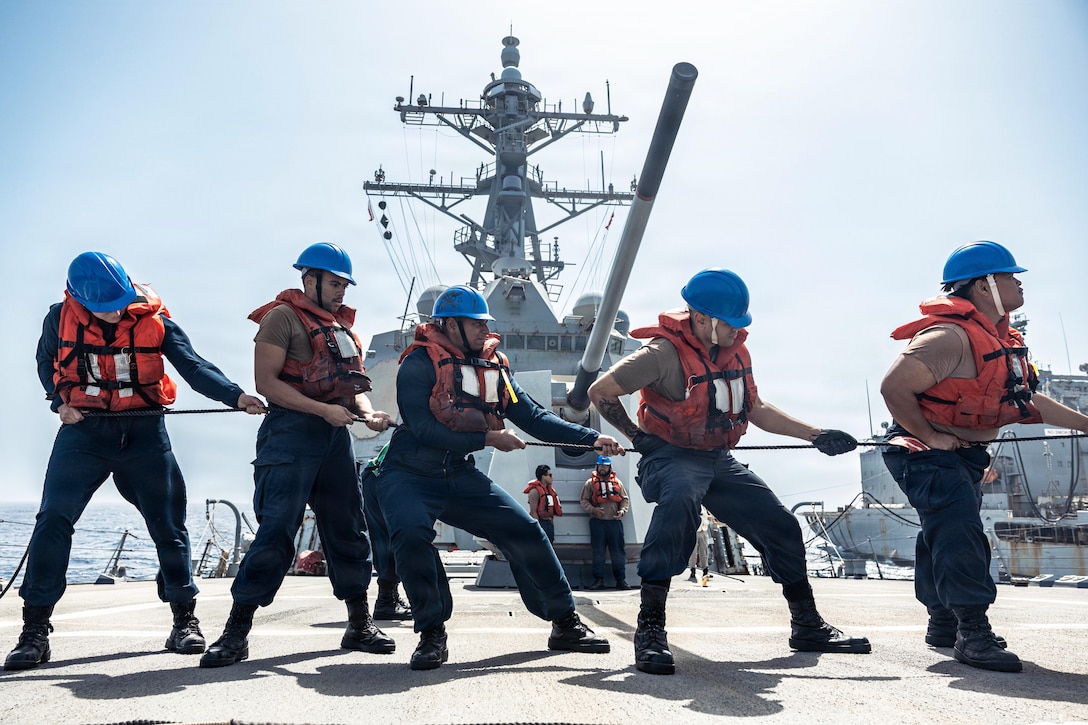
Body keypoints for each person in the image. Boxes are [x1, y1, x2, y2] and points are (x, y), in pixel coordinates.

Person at [588, 267, 871, 676]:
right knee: (678, 506)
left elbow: (753, 408)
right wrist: (638, 437)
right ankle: (650, 630)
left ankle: (807, 624)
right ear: (701, 318)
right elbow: (601, 391)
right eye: (730, 322)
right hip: (670, 456)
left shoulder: (736, 349)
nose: (738, 330)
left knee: (780, 525)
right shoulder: (662, 354)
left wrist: (815, 434)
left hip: (717, 457)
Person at [5, 252, 266, 672]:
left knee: (168, 524)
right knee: (53, 518)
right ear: (78, 299)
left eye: (117, 304)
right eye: (102, 308)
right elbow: (45, 364)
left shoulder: (155, 320)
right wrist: (59, 404)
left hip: (144, 433)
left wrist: (235, 396)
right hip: (84, 432)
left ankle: (184, 619)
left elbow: (193, 366)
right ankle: (34, 631)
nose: (111, 314)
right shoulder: (58, 319)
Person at [372, 285, 622, 670]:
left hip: (456, 471)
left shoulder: (493, 367)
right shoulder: (418, 364)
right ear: (449, 325)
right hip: (408, 473)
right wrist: (487, 438)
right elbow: (422, 429)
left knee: (525, 530)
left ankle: (564, 623)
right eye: (474, 323)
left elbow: (533, 416)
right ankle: (431, 633)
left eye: (483, 323)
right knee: (409, 536)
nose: (483, 330)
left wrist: (591, 437)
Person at [880, 241, 1088, 673]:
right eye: (1010, 276)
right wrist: (930, 437)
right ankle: (973, 633)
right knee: (959, 532)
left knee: (941, 530)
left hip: (963, 455)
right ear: (983, 286)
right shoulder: (948, 336)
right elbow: (893, 387)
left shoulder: (1001, 340)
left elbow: (1026, 398)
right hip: (922, 452)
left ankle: (943, 622)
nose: (1018, 282)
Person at [200, 242, 396, 668]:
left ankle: (359, 624)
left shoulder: (341, 328)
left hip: (333, 441)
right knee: (275, 532)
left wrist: (368, 413)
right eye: (335, 283)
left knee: (348, 530)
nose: (342, 291)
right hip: (289, 436)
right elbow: (267, 383)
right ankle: (236, 633)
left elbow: (352, 388)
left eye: (345, 283)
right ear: (310, 279)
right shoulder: (281, 319)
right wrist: (323, 410)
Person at [359, 447, 412, 620]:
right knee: (390, 541)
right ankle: (386, 602)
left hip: (378, 478)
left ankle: (391, 597)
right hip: (379, 480)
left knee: (390, 540)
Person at [579, 456, 630, 590]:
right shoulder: (590, 483)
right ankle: (598, 579)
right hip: (598, 522)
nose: (603, 468)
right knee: (598, 551)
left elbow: (625, 499)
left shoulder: (617, 483)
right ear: (597, 467)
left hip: (614, 522)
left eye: (605, 466)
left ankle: (621, 580)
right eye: (601, 466)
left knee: (618, 552)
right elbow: (584, 500)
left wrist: (622, 511)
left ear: (609, 467)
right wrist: (593, 510)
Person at [524, 464, 563, 543]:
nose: (552, 478)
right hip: (541, 523)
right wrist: (537, 528)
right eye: (550, 475)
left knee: (550, 543)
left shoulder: (550, 490)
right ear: (543, 476)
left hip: (549, 523)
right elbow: (533, 511)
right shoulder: (535, 491)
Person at [687, 507, 711, 584]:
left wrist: (708, 517)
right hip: (694, 531)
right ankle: (693, 570)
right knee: (693, 552)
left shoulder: (705, 508)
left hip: (703, 531)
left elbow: (709, 517)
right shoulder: (694, 506)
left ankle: (705, 570)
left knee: (704, 552)